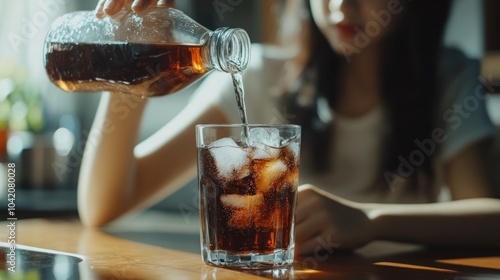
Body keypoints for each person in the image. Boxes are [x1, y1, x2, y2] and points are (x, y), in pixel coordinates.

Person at [81, 0, 500, 254]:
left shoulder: (448, 80)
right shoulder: (258, 73)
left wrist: (372, 221)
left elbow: (490, 218)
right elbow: (104, 205)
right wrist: (126, 65)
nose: (341, 5)